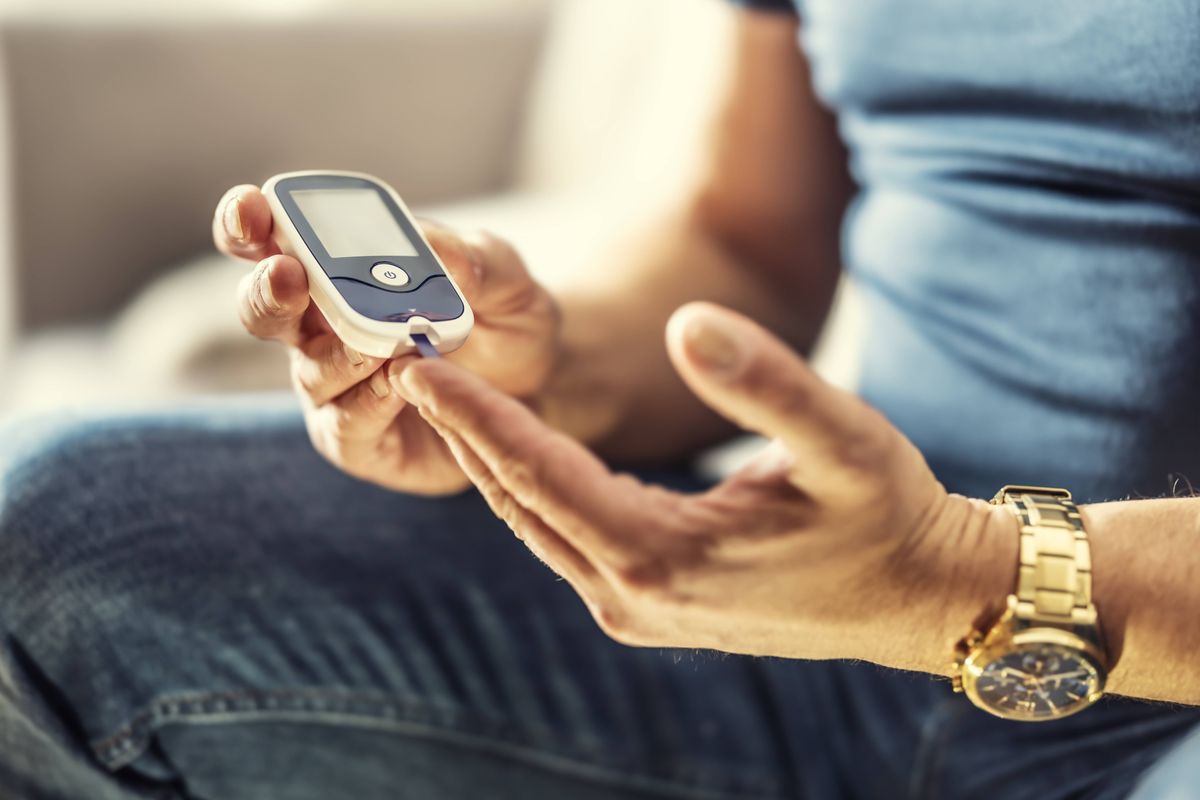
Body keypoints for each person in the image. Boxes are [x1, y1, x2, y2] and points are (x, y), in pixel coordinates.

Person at [2, 0, 1198, 796]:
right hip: (817, 634)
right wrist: (547, 373)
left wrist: (953, 574)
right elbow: (745, 240)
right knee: (47, 535)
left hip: (1161, 690)